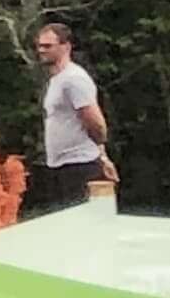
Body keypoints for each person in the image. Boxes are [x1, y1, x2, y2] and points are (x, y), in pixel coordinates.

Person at [31, 22, 114, 213]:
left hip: (79, 166)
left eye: (47, 46)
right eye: (40, 46)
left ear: (65, 46)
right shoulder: (57, 80)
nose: (41, 50)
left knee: (81, 226)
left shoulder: (73, 79)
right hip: (61, 166)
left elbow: (96, 123)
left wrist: (100, 156)